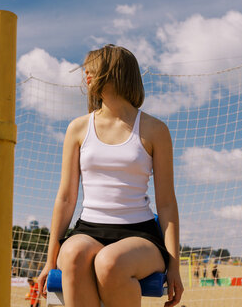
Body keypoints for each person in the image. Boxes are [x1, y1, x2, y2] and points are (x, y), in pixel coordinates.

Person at [37, 45, 184, 307]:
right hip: (88, 229)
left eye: (92, 68)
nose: (86, 74)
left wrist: (174, 265)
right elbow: (67, 198)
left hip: (140, 235)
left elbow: (166, 203)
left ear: (113, 71)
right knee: (71, 255)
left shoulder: (154, 129)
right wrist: (50, 262)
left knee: (110, 261)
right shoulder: (78, 128)